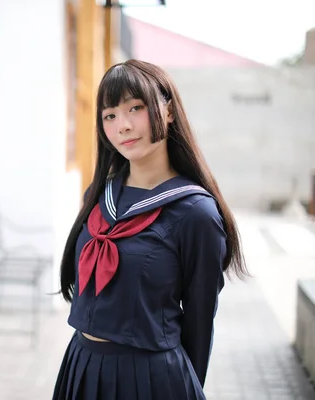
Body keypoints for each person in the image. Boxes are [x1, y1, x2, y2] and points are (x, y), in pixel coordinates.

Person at [52, 59, 248, 400]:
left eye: (135, 108)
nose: (122, 126)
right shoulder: (98, 195)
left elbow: (200, 325)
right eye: (109, 115)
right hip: (81, 366)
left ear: (168, 111)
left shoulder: (195, 213)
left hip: (149, 379)